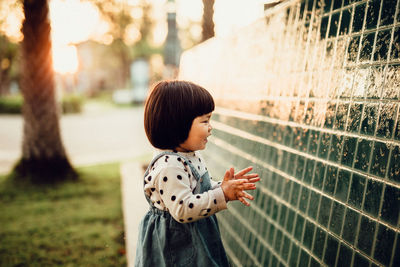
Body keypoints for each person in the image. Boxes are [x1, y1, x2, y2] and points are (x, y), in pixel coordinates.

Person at [135, 80, 260, 267]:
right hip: (176, 247)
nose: (210, 127)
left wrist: (225, 187)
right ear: (178, 124)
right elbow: (183, 209)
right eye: (205, 121)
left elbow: (196, 191)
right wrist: (222, 194)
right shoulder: (169, 166)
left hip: (194, 236)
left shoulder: (188, 155)